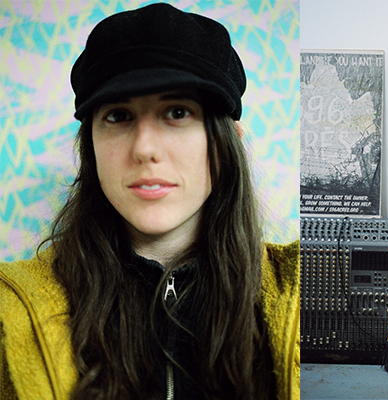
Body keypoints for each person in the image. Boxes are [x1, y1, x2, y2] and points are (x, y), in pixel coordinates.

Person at [0, 3, 299, 400]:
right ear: (90, 147)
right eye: (118, 116)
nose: (144, 148)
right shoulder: (11, 309)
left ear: (228, 143)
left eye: (177, 112)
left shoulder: (297, 294)